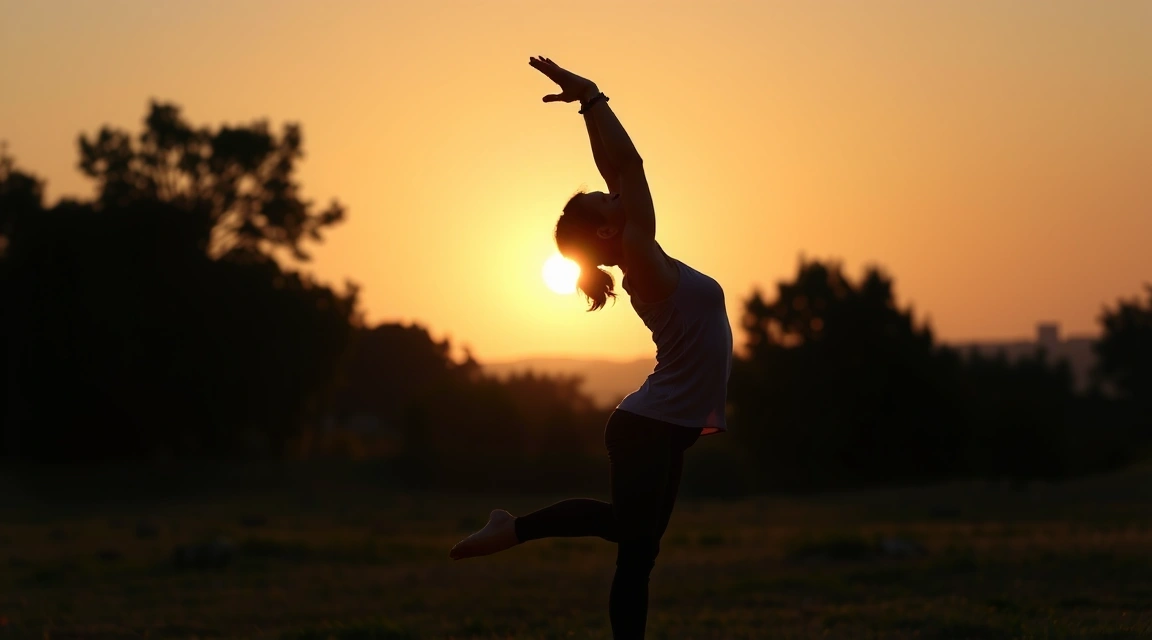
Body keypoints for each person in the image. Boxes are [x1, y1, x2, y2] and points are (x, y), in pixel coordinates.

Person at [449, 56, 733, 639]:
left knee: (640, 550)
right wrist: (595, 96)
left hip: (669, 426)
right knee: (634, 538)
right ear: (607, 232)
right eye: (606, 202)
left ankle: (523, 536)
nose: (614, 194)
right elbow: (630, 163)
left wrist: (585, 107)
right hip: (647, 427)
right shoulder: (645, 262)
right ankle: (514, 527)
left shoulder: (643, 256)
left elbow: (614, 166)